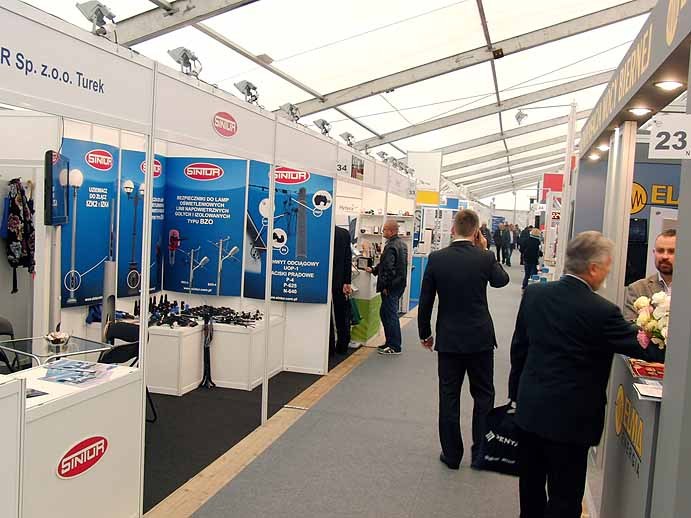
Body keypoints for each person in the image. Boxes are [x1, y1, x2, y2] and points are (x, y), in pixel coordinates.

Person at [509, 231, 665, 518]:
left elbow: (519, 348)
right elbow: (646, 349)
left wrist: (516, 396)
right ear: (593, 268)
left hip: (531, 411)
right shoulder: (603, 312)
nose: (608, 271)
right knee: (565, 498)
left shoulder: (535, 294)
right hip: (572, 422)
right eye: (607, 265)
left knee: (530, 492)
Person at [418, 209, 509, 470]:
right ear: (476, 231)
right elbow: (501, 281)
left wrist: (425, 333)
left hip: (449, 339)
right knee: (484, 395)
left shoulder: (437, 258)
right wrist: (486, 249)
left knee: (449, 396)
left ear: (452, 229)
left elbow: (426, 300)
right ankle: (480, 452)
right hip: (480, 339)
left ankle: (452, 455)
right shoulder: (485, 257)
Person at [366, 219, 408, 355]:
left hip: (391, 287)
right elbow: (386, 265)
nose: (382, 231)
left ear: (391, 231)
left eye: (384, 229)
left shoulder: (391, 246)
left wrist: (385, 286)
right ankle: (390, 342)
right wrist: (374, 270)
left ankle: (394, 346)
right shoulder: (402, 244)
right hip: (399, 285)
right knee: (386, 313)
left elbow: (388, 269)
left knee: (389, 315)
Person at [623, 229, 675, 321]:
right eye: (660, 251)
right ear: (654, 252)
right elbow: (630, 325)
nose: (665, 256)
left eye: (671, 251)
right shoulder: (637, 289)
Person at [330, 225, 353, 355]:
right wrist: (347, 281)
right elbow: (347, 259)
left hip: (323, 280)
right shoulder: (343, 233)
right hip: (339, 281)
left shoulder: (318, 232)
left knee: (327, 314)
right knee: (342, 313)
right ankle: (343, 344)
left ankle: (329, 347)